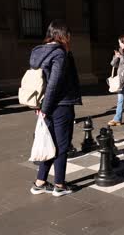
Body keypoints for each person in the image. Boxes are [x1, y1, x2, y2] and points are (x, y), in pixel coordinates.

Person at [29, 20, 82, 197]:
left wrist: (39, 106)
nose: (70, 38)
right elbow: (53, 84)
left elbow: (37, 81)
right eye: (68, 34)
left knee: (49, 142)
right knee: (61, 145)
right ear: (62, 35)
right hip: (60, 105)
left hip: (44, 104)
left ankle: (40, 182)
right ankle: (59, 184)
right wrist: (45, 107)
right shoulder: (59, 54)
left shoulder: (39, 52)